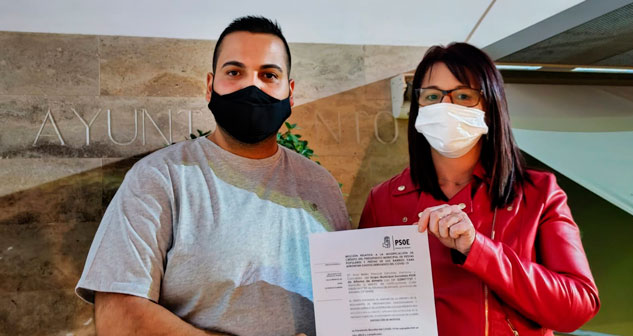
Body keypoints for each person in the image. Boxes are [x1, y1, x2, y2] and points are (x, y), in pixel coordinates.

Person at [76, 16, 349, 336]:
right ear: (210, 86)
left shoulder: (322, 185)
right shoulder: (159, 179)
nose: (252, 86)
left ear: (290, 93)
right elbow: (118, 315)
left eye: (268, 74)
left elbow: (348, 299)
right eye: (235, 73)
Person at [359, 43, 600, 336]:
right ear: (418, 108)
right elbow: (362, 309)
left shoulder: (539, 193)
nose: (445, 107)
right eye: (432, 96)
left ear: (490, 104)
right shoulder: (384, 199)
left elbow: (576, 308)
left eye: (463, 95)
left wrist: (478, 249)